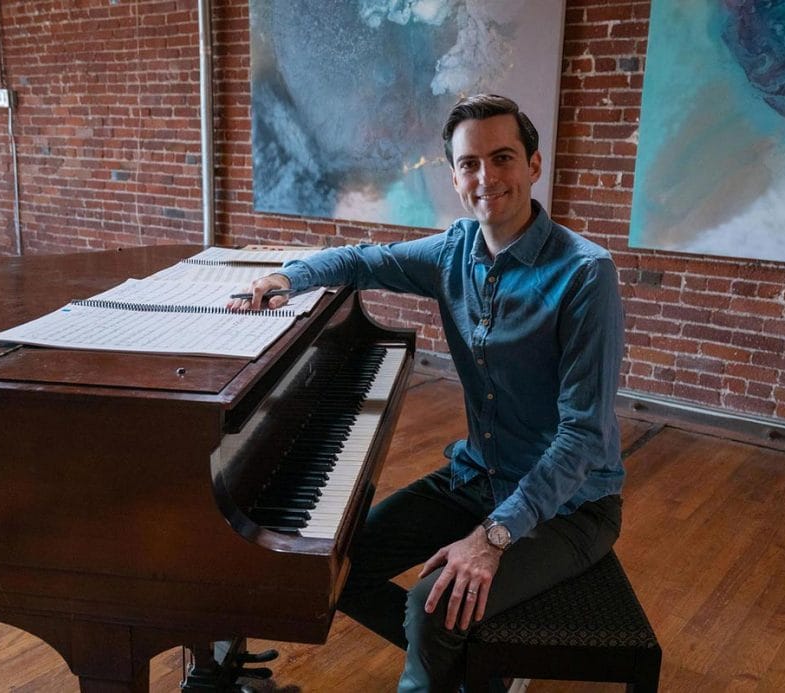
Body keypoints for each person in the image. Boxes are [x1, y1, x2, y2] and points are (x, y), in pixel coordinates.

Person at [230, 94, 626, 692]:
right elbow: (362, 261)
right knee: (334, 571)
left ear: (535, 165)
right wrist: (290, 275)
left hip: (572, 505)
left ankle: (445, 662)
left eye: (503, 158)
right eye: (470, 164)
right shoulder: (454, 251)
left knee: (431, 606)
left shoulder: (585, 274)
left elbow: (583, 436)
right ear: (454, 176)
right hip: (480, 473)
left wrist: (494, 537)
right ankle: (474, 669)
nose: (486, 177)